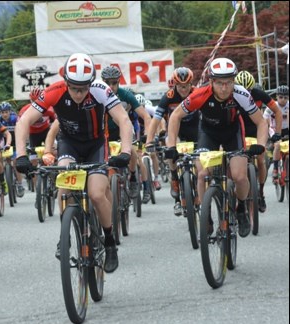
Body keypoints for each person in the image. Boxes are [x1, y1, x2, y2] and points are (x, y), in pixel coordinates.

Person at [15, 53, 133, 273]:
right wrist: (21, 155)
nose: (79, 94)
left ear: (90, 83)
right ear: (66, 82)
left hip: (96, 144)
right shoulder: (54, 91)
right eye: (74, 88)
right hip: (69, 143)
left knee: (97, 193)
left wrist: (126, 151)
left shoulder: (100, 90)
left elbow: (123, 120)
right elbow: (23, 121)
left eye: (83, 89)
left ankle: (109, 241)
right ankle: (66, 234)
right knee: (64, 189)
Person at [166, 58, 268, 238]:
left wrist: (260, 144)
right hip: (208, 134)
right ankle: (206, 217)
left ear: (234, 81)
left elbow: (261, 122)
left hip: (233, 133)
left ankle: (242, 208)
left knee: (239, 177)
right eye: (219, 83)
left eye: (229, 82)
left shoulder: (241, 94)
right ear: (211, 81)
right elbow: (175, 116)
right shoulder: (200, 94)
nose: (224, 88)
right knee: (203, 174)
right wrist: (172, 146)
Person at [145, 67, 200, 216]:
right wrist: (149, 141)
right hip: (176, 131)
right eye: (181, 86)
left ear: (191, 84)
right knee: (171, 149)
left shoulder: (197, 93)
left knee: (199, 163)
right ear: (175, 84)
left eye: (187, 85)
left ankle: (198, 190)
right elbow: (156, 119)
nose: (184, 89)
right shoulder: (168, 96)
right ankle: (175, 176)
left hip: (195, 131)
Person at [100, 65, 153, 202]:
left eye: (114, 83)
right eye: (107, 83)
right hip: (104, 132)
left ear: (119, 82)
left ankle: (134, 177)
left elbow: (146, 116)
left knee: (135, 153)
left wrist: (146, 136)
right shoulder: (97, 94)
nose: (111, 87)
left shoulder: (126, 95)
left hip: (123, 129)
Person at [235, 70, 283, 212]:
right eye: (243, 90)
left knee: (261, 160)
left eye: (249, 90)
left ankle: (261, 192)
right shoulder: (232, 96)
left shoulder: (259, 94)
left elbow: (278, 111)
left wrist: (278, 133)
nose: (247, 94)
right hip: (239, 130)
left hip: (257, 129)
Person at [0, 101, 25, 197]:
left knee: (15, 162)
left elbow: (21, 130)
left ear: (10, 112)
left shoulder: (14, 119)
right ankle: (6, 177)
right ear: (0, 113)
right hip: (5, 142)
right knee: (4, 159)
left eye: (6, 112)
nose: (4, 114)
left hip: (15, 142)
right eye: (2, 112)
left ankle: (20, 184)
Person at [264, 85, 288, 183]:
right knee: (278, 145)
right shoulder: (272, 106)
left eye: (285, 97)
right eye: (281, 97)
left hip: (286, 129)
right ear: (277, 97)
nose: (283, 99)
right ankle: (275, 168)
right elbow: (265, 120)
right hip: (275, 129)